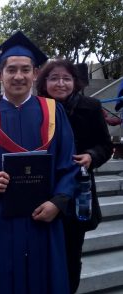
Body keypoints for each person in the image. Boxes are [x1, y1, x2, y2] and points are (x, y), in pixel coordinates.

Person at [0, 31, 79, 294]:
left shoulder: (54, 112)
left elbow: (69, 164)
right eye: (11, 70)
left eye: (25, 69)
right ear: (0, 75)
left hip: (43, 217)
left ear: (34, 73)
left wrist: (59, 202)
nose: (18, 76)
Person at [36, 59, 113, 293]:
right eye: (54, 78)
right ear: (44, 82)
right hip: (42, 191)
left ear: (75, 82)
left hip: (77, 193)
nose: (61, 83)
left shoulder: (90, 107)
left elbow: (105, 146)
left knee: (71, 255)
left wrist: (91, 155)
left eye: (66, 78)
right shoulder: (36, 107)